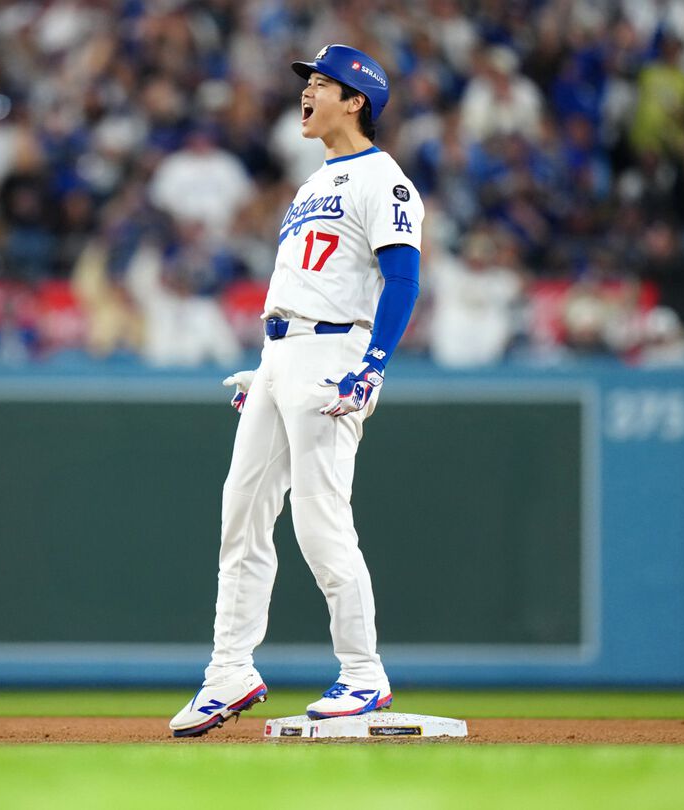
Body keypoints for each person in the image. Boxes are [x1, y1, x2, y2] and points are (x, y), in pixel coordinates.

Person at [169, 44, 423, 737]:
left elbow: (401, 280)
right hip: (284, 353)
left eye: (321, 83)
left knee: (319, 518)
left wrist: (370, 365)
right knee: (241, 515)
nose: (306, 92)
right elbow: (307, 283)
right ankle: (229, 671)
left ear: (357, 100)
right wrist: (270, 365)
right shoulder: (313, 185)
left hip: (336, 352)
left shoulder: (384, 180)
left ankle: (364, 674)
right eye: (307, 82)